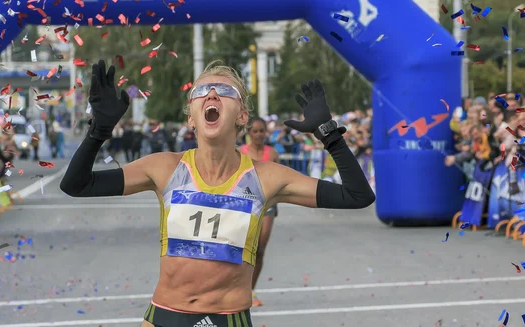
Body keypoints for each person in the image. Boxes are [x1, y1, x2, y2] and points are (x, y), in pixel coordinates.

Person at [60, 59, 375, 327]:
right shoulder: (163, 168)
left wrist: (329, 135)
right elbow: (76, 184)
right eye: (201, 92)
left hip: (228, 317)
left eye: (225, 91)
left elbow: (357, 195)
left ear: (241, 116)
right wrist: (98, 131)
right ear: (191, 117)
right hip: (163, 316)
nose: (211, 94)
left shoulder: (266, 177)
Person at [237, 117, 279, 307]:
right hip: (245, 206)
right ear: (249, 133)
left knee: (260, 249)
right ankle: (237, 288)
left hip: (268, 206)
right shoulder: (240, 153)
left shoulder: (272, 154)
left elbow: (281, 179)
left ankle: (250, 292)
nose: (259, 135)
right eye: (255, 131)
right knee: (244, 250)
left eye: (262, 131)